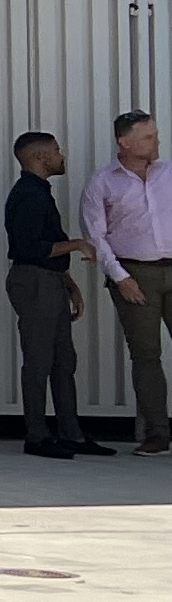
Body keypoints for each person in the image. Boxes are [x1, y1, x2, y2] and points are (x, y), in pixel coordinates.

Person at [79, 111, 172, 456]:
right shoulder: (102, 183)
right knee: (146, 356)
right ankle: (157, 433)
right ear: (125, 142)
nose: (157, 141)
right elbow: (96, 236)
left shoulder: (169, 173)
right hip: (135, 274)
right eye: (148, 137)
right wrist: (121, 278)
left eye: (156, 134)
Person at [3, 130, 92, 457]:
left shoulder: (39, 191)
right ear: (40, 157)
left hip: (50, 281)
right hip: (34, 283)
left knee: (63, 360)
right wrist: (78, 244)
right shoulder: (28, 195)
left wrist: (67, 282)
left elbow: (44, 245)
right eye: (56, 150)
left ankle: (71, 434)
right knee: (39, 361)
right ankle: (37, 436)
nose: (61, 155)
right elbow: (29, 248)